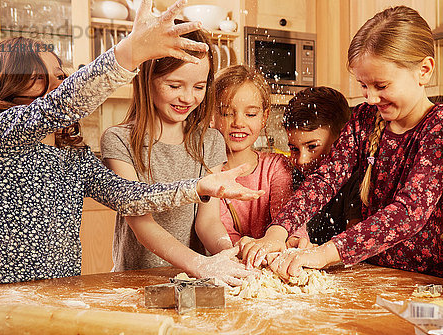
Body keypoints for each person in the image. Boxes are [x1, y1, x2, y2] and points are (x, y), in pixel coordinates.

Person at [0, 0, 262, 285]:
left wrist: (197, 187)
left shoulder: (72, 157)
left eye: (61, 75)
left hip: (58, 292)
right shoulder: (0, 135)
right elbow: (60, 104)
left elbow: (130, 197)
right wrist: (130, 53)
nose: (61, 83)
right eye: (42, 77)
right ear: (8, 83)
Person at [239, 6, 443, 280]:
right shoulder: (364, 118)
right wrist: (278, 231)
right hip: (366, 270)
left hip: (421, 277)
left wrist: (324, 253)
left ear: (424, 71)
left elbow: (409, 212)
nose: (370, 98)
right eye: (363, 85)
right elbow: (325, 179)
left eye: (381, 86)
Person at [100, 17, 257, 286]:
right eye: (174, 86)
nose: (188, 98)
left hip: (197, 281)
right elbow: (142, 224)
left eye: (198, 87)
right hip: (136, 280)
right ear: (146, 79)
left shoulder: (210, 140)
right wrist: (199, 263)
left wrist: (226, 255)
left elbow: (206, 223)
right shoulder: (119, 140)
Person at [195, 65, 308, 254]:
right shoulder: (207, 171)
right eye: (227, 113)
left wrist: (296, 238)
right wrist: (239, 251)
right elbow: (215, 228)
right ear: (211, 116)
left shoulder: (276, 166)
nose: (239, 122)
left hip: (273, 261)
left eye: (250, 114)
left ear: (264, 117)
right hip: (230, 264)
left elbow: (287, 212)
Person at [283, 86, 361, 246]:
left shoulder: (357, 181)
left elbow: (353, 243)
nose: (302, 160)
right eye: (294, 149)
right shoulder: (290, 175)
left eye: (312, 147)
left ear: (343, 137)